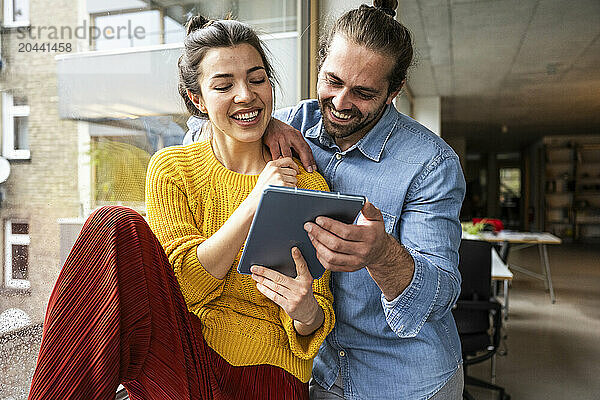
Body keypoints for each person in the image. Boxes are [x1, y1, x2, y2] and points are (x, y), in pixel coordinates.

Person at [28, 16, 334, 400]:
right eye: (224, 85)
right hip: (186, 363)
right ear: (198, 99)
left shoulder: (306, 183)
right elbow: (183, 288)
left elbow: (318, 313)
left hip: (269, 380)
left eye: (257, 79)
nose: (245, 95)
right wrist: (255, 202)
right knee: (114, 223)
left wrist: (305, 311)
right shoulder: (173, 169)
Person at [185, 1, 466, 399]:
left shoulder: (430, 164)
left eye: (364, 93)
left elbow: (441, 295)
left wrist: (382, 254)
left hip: (404, 381)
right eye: (332, 81)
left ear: (395, 90)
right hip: (315, 373)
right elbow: (201, 136)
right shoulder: (293, 123)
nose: (340, 102)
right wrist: (263, 125)